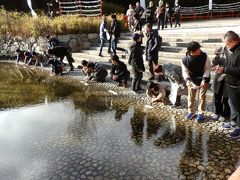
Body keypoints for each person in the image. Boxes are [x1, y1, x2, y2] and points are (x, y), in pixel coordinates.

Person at [215, 31, 240, 138]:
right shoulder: (230, 50)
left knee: (238, 107)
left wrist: (225, 69)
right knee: (231, 103)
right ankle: (233, 122)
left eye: (227, 43)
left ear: (234, 42)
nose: (226, 46)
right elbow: (229, 64)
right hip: (230, 82)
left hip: (237, 84)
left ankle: (239, 128)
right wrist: (221, 67)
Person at [181, 41, 211, 122]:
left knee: (202, 97)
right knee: (191, 97)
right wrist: (187, 80)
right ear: (192, 51)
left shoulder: (204, 55)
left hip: (204, 78)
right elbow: (185, 72)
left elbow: (208, 68)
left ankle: (201, 113)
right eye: (198, 49)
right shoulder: (185, 60)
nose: (200, 50)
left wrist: (204, 79)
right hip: (192, 80)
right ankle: (191, 112)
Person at [211, 46, 230, 122]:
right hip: (219, 76)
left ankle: (225, 113)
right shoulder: (222, 49)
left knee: (226, 97)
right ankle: (218, 111)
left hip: (229, 76)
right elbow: (214, 63)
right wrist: (217, 55)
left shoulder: (236, 52)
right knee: (217, 95)